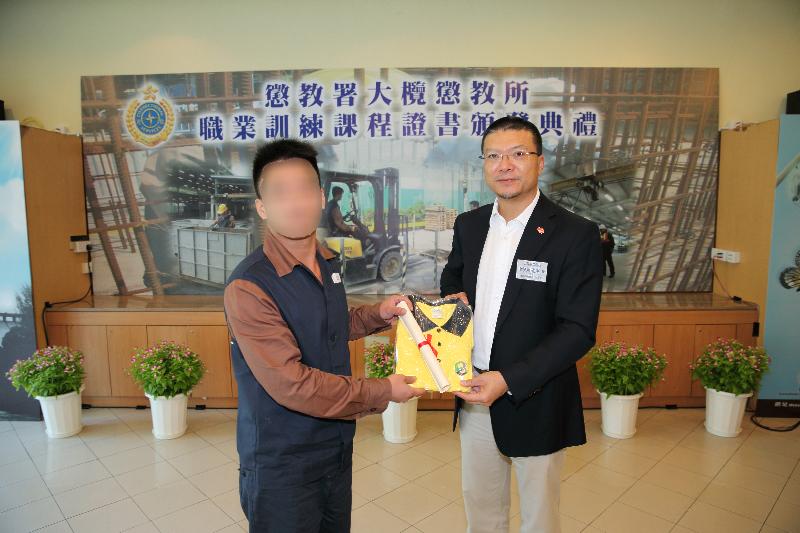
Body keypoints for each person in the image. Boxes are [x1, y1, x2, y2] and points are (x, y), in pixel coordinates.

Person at [224, 139, 423, 533]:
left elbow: (327, 326)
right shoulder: (249, 286)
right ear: (263, 208)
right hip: (283, 461)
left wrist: (377, 316)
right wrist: (383, 390)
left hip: (334, 446)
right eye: (281, 193)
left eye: (303, 189)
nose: (295, 202)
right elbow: (292, 384)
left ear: (319, 197)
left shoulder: (327, 262)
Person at [440, 116, 603, 532]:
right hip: (474, 391)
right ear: (484, 164)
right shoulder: (470, 225)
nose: (504, 165)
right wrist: (452, 300)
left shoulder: (575, 234)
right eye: (493, 155)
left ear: (540, 162)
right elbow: (453, 279)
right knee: (481, 508)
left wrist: (508, 379)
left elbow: (577, 329)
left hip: (537, 395)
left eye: (517, 154)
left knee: (539, 516)